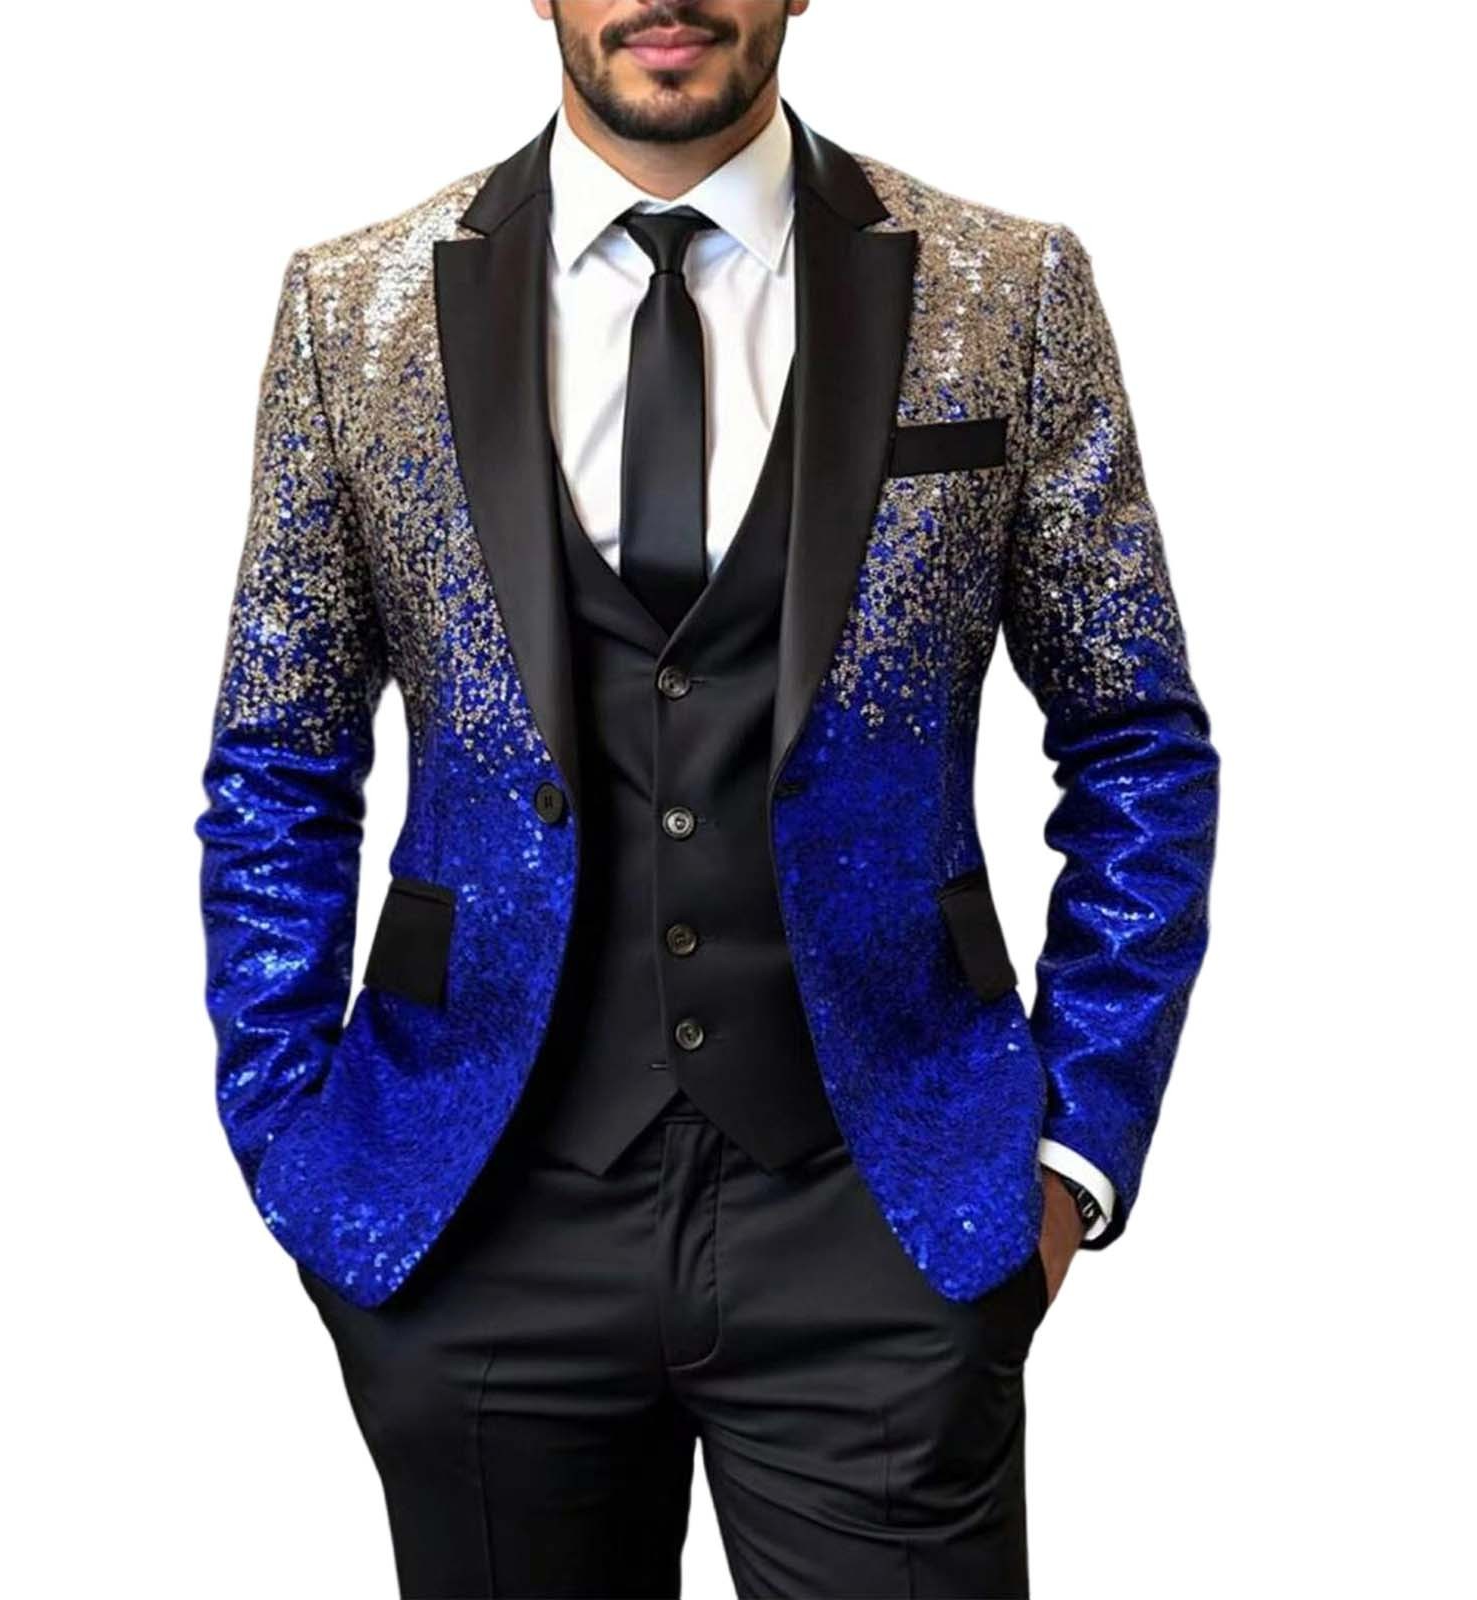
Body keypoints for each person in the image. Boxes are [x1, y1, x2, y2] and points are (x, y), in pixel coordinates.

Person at [193, 3, 1220, 1594]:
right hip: (475, 1218)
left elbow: (1135, 735)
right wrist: (294, 1146)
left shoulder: (1006, 288)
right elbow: (278, 755)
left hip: (883, 1205)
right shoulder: (354, 306)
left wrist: (1077, 1148)